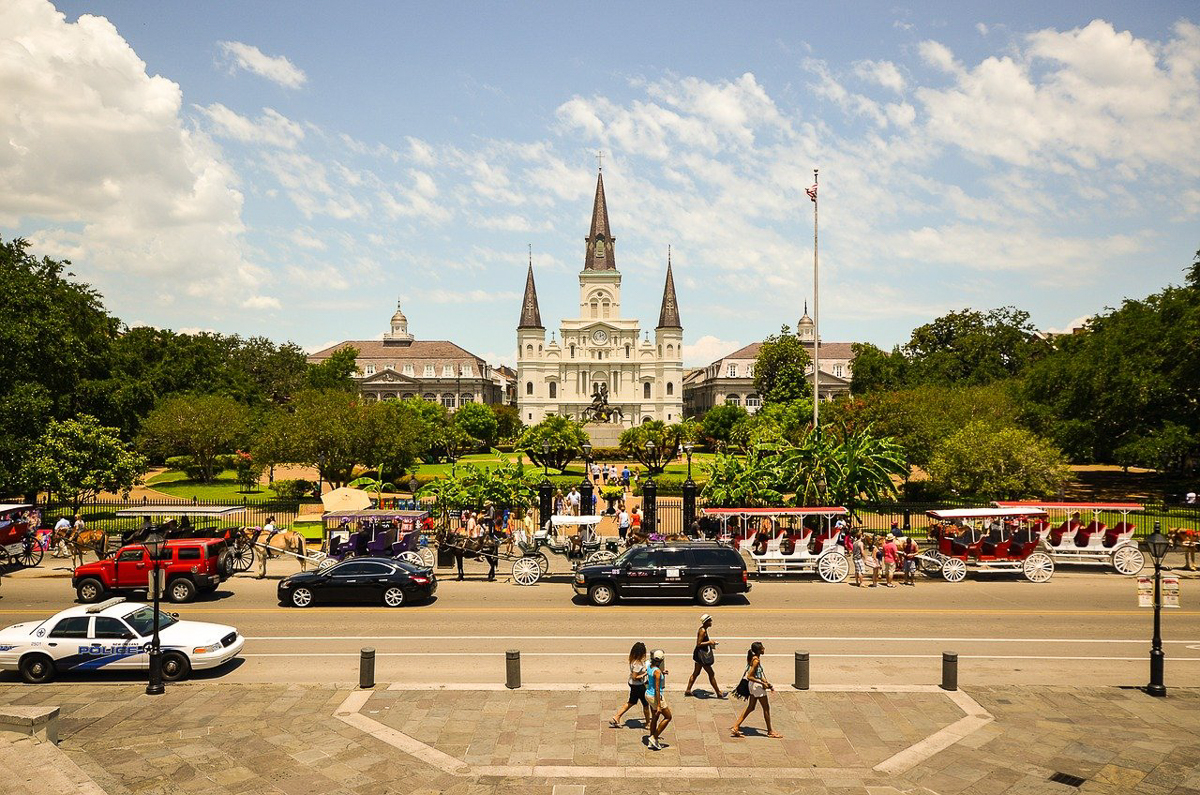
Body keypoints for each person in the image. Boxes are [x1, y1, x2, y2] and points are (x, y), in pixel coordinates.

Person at [730, 641, 781, 738]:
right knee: (766, 708)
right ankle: (770, 731)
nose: (764, 649)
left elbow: (758, 674)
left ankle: (736, 727)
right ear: (758, 650)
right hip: (757, 687)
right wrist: (762, 683)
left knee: (751, 707)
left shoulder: (752, 658)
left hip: (752, 686)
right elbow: (750, 676)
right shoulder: (756, 661)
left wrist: (766, 682)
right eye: (762, 648)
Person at [610, 642, 652, 729]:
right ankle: (648, 723)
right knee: (645, 704)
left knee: (631, 702)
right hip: (639, 686)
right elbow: (635, 676)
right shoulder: (638, 664)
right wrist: (645, 674)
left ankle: (617, 717)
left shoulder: (633, 660)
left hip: (634, 685)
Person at [685, 614, 725, 698]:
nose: (711, 622)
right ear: (706, 622)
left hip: (699, 655)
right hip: (701, 656)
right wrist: (710, 642)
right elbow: (699, 644)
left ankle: (688, 690)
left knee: (696, 673)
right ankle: (719, 693)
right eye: (709, 620)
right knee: (711, 673)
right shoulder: (702, 631)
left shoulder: (704, 629)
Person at [646, 649, 672, 750]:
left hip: (648, 695)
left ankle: (651, 740)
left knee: (655, 718)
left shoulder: (650, 666)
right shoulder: (657, 672)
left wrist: (662, 673)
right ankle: (654, 737)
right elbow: (657, 688)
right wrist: (658, 706)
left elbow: (653, 674)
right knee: (668, 717)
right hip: (655, 697)